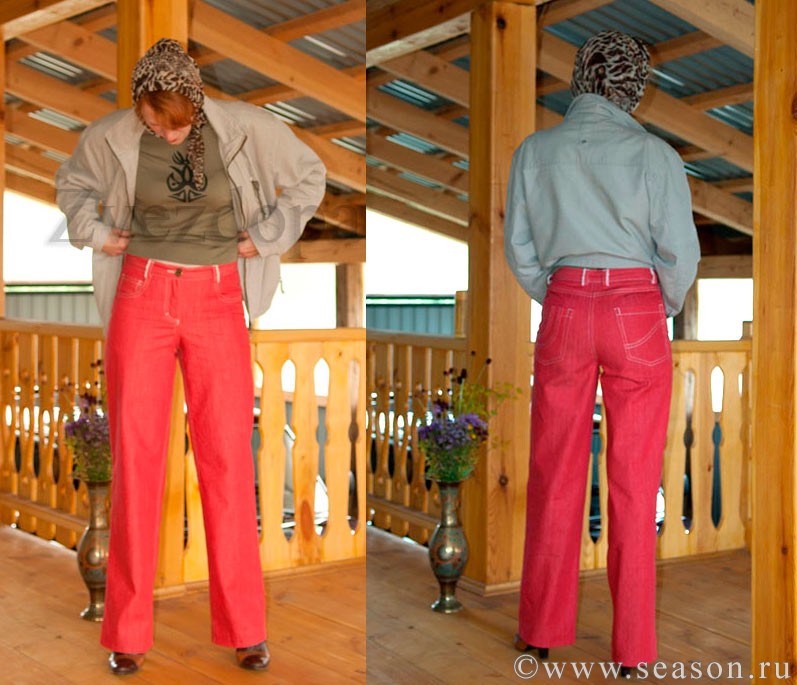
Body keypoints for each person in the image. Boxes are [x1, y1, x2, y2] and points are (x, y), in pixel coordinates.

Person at [55, 38, 326, 675]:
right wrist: (98, 233)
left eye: (174, 124)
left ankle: (246, 630)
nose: (165, 134)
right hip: (141, 294)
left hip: (218, 297)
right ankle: (126, 634)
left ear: (195, 104)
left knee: (228, 463)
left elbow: (310, 176)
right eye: (154, 123)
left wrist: (266, 236)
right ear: (139, 107)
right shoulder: (111, 135)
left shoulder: (248, 129)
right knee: (136, 463)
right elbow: (71, 185)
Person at [504, 30, 700, 675]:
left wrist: (560, 293)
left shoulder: (535, 151)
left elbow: (520, 248)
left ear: (579, 77)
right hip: (636, 306)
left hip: (564, 301)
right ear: (633, 85)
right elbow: (679, 252)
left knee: (554, 471)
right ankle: (633, 653)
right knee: (635, 483)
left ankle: (540, 631)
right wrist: (657, 305)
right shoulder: (654, 154)